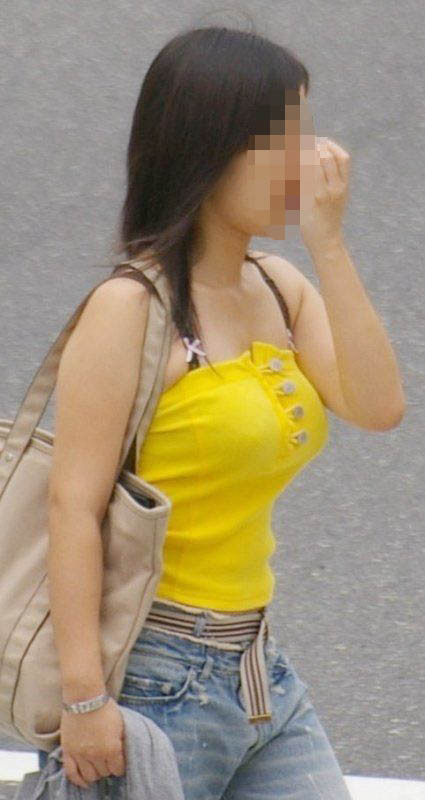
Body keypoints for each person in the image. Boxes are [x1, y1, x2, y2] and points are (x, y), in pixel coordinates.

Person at [39, 23, 405, 800]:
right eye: (285, 139)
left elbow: (378, 406)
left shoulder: (277, 285)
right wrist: (84, 700)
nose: (310, 159)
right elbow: (72, 507)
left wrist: (329, 247)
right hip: (153, 678)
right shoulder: (130, 310)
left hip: (256, 668)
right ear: (212, 152)